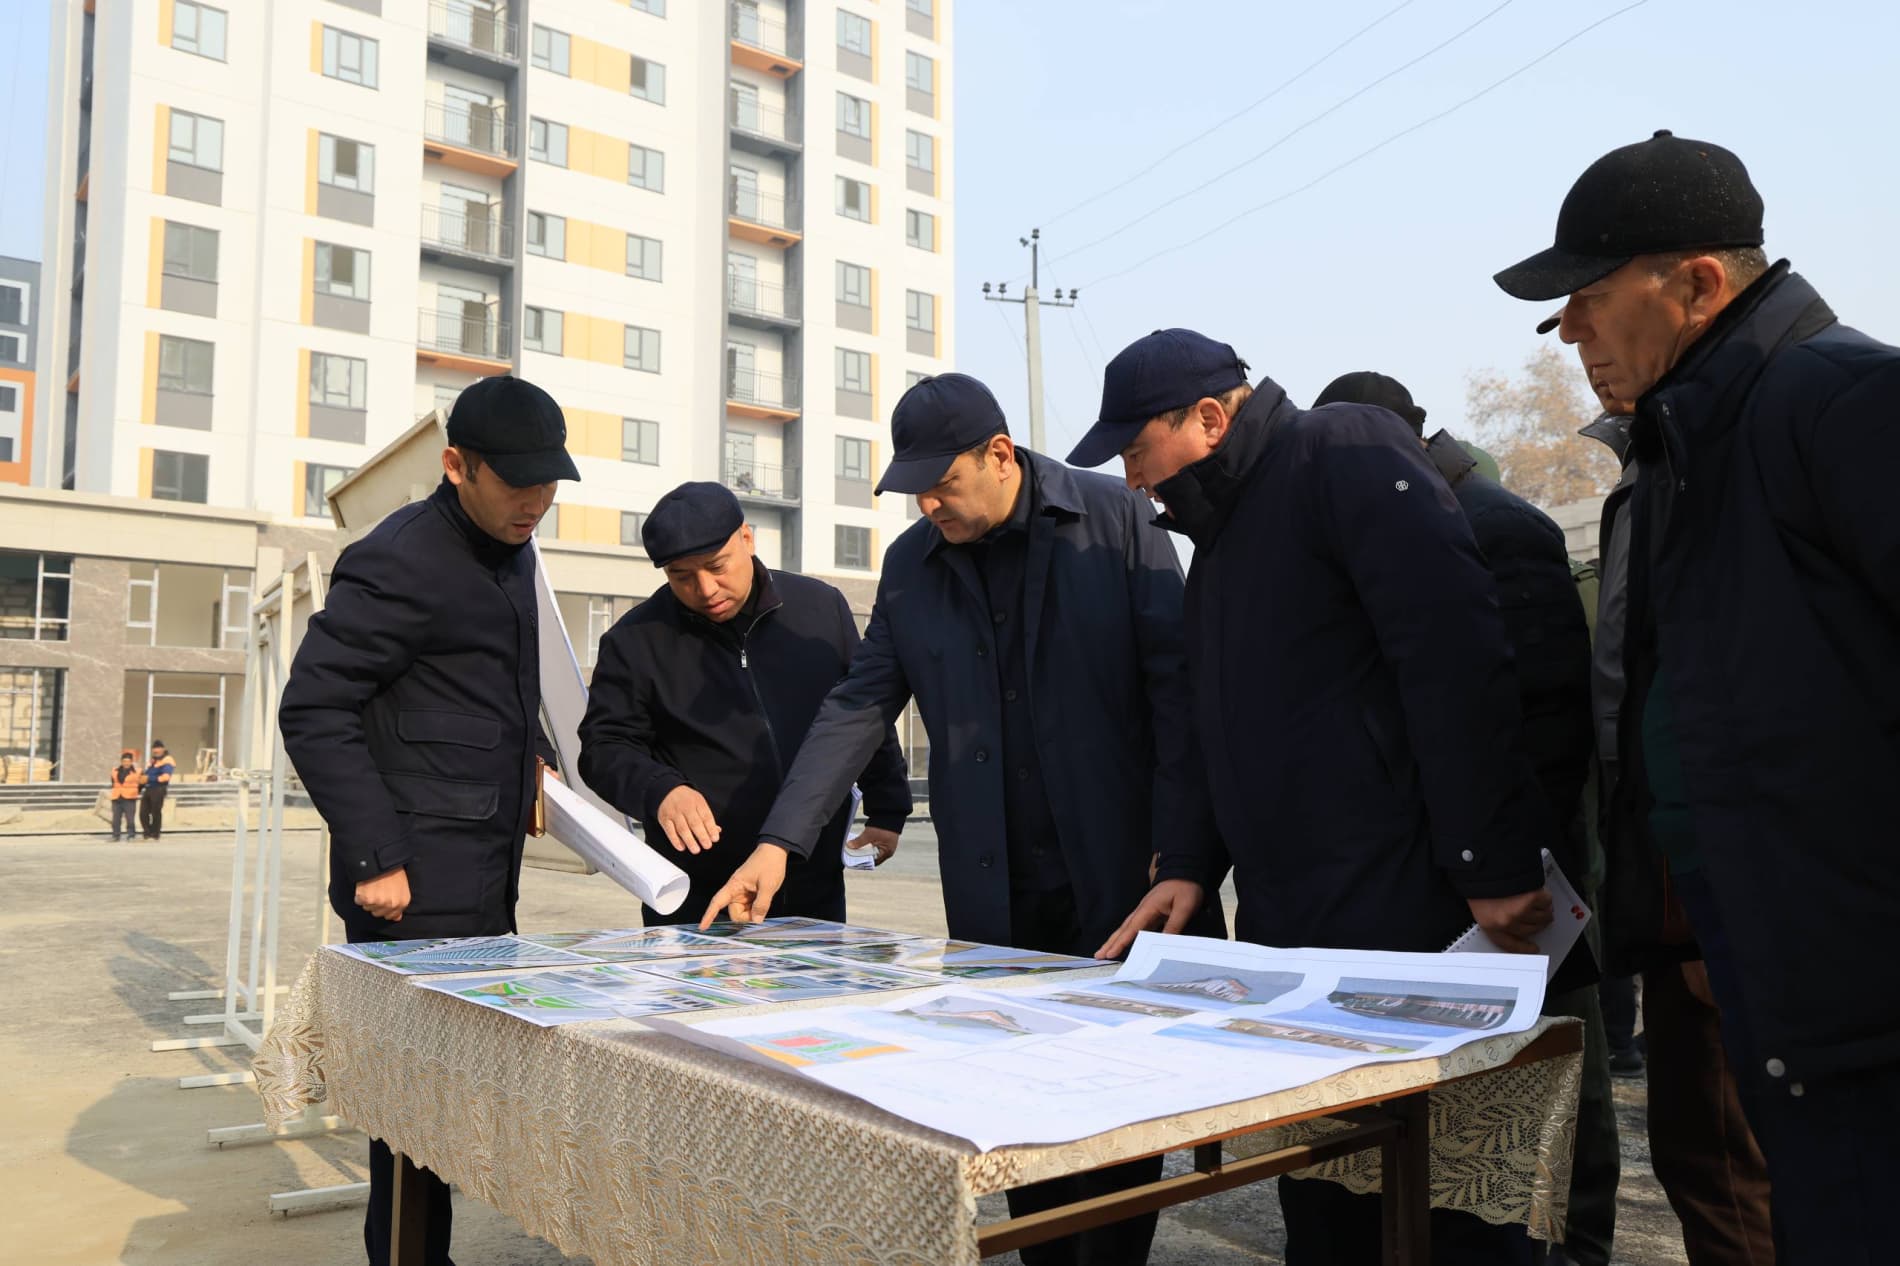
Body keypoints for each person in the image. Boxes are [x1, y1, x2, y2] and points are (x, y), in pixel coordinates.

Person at [703, 372, 1225, 1266]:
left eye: (941, 484)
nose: (929, 505)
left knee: (1118, 1124)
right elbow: (859, 703)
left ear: (999, 455)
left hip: (1122, 883)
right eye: (913, 492)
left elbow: (1182, 698)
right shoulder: (914, 564)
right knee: (1017, 1118)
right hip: (995, 897)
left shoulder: (1117, 519)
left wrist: (1186, 853)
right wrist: (780, 843)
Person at [1495, 128, 1900, 1264]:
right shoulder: (1681, 456)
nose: (1564, 331)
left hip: (1858, 990)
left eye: (1583, 298)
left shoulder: (1843, 405)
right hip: (1763, 968)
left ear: (1699, 282)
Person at [1080, 330, 1554, 1266]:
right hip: (1300, 929)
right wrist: (1186, 864)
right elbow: (1215, 726)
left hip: (1416, 913)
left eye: (1137, 451)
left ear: (1209, 418)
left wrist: (1490, 864)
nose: (1133, 481)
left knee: (1442, 1211)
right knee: (1328, 1196)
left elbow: (1452, 654)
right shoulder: (1216, 548)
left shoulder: (1344, 450)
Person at [1312, 370, 1614, 1266]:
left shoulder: (1498, 526)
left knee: (1561, 1092)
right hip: (1451, 877)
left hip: (1522, 887)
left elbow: (1545, 729)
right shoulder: (1391, 528)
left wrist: (1513, 876)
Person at [279, 374, 578, 1266]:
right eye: (517, 484)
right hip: (407, 882)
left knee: (449, 1097)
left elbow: (487, 682)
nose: (537, 503)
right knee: (412, 1104)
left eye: (550, 483)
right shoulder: (399, 558)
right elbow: (314, 709)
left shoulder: (513, 547)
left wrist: (530, 757)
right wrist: (375, 856)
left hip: (481, 869)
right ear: (456, 466)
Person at [1577, 400, 1773, 1264]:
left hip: (1714, 877)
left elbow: (1642, 692)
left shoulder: (1701, 481)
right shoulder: (1655, 486)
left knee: (1723, 1156)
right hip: (1695, 868)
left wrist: (1701, 898)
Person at [578, 481, 912, 925]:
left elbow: (864, 714)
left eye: (717, 566)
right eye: (682, 577)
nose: (705, 588)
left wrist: (888, 806)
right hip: (698, 895)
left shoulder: (818, 610)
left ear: (747, 539)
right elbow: (604, 747)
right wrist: (660, 789)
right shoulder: (635, 641)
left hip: (813, 880)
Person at [139, 741, 176, 840]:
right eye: (154, 749)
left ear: (163, 749)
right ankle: (147, 832)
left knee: (156, 811)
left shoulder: (168, 760)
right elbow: (146, 774)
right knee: (143, 812)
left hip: (159, 788)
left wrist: (149, 779)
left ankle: (155, 833)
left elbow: (166, 777)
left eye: (158, 749)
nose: (156, 751)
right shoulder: (153, 761)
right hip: (149, 788)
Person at [109, 750, 140, 841]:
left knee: (130, 819)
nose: (126, 763)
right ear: (121, 762)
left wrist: (135, 792)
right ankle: (116, 835)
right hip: (117, 797)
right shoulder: (115, 771)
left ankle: (131, 835)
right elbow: (113, 782)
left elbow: (141, 783)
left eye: (128, 761)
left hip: (130, 798)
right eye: (124, 761)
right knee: (116, 819)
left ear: (131, 762)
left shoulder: (137, 771)